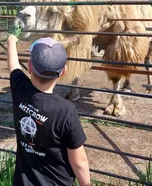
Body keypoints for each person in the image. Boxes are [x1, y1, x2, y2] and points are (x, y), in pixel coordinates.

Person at [7, 35, 90, 186]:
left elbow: (13, 64)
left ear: (30, 66)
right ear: (63, 71)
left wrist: (11, 41)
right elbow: (79, 162)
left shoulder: (19, 89)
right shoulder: (65, 110)